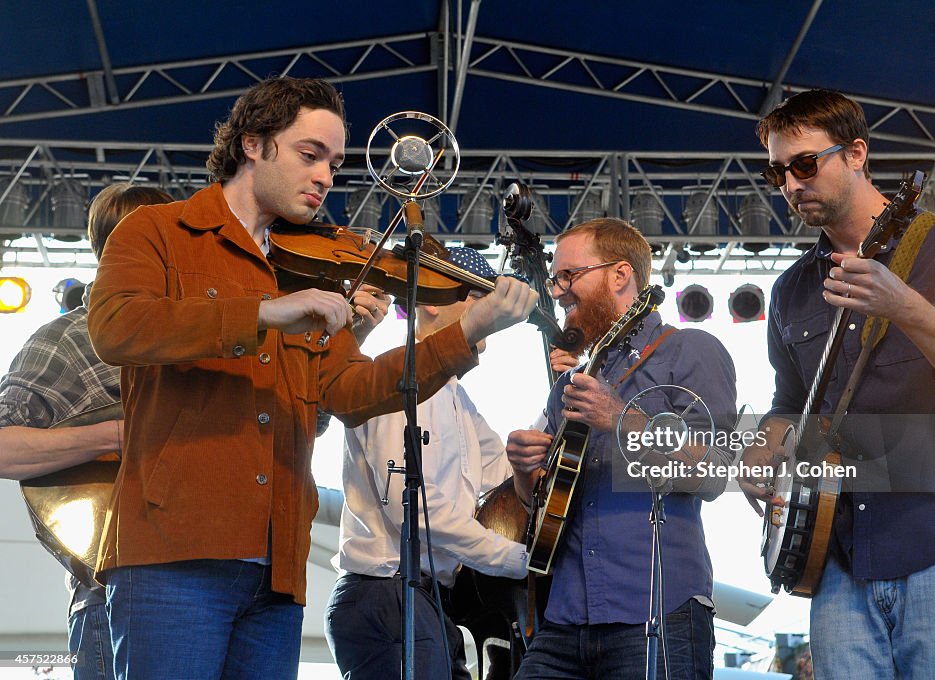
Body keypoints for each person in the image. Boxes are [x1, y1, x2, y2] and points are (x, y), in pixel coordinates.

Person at [86, 76, 537, 680]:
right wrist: (264, 311)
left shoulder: (307, 267)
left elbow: (352, 392)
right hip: (175, 552)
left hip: (277, 562)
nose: (326, 176)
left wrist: (466, 330)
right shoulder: (158, 232)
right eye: (310, 154)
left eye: (335, 162)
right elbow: (117, 326)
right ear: (253, 144)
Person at [739, 89, 935, 679]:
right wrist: (762, 449)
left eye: (805, 164)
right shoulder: (791, 290)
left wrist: (907, 307)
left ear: (857, 153)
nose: (790, 184)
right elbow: (789, 404)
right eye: (777, 171)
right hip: (836, 558)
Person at [505, 218, 738, 680]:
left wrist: (621, 419)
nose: (557, 291)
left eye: (569, 276)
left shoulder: (690, 350)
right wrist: (522, 469)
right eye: (556, 278)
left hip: (658, 611)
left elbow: (713, 474)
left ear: (620, 274)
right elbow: (543, 504)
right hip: (566, 615)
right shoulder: (571, 384)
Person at [322, 247, 539, 680]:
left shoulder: (457, 397)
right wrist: (517, 559)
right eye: (477, 297)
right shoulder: (391, 380)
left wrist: (565, 392)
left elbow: (505, 475)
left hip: (425, 597)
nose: (490, 312)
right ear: (428, 304)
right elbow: (418, 512)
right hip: (385, 593)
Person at [0, 183, 173, 680]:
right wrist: (114, 436)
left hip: (217, 589)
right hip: (111, 599)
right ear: (118, 249)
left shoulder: (208, 335)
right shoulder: (66, 340)